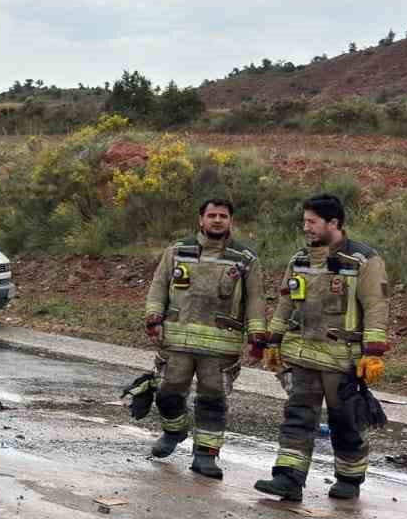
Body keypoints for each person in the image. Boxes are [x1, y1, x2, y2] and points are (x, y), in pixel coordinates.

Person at [254, 194, 390, 502]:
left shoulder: (363, 261)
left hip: (342, 360)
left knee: (346, 421)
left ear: (334, 223)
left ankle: (349, 479)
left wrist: (373, 353)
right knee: (297, 417)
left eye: (312, 222)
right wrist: (273, 341)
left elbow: (376, 306)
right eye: (305, 221)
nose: (306, 228)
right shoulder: (299, 260)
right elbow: (285, 303)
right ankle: (288, 478)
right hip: (302, 356)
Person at [142, 197, 266, 479]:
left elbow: (256, 299)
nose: (217, 220)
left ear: (231, 221)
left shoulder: (245, 259)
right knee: (167, 392)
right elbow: (158, 286)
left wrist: (257, 337)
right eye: (212, 215)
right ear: (201, 220)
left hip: (221, 347)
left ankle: (206, 456)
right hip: (177, 341)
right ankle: (174, 431)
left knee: (213, 399)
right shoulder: (177, 251)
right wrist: (153, 319)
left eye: (223, 216)